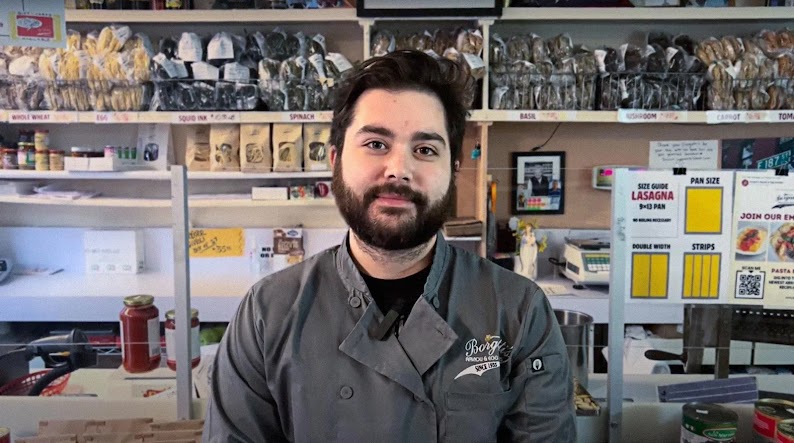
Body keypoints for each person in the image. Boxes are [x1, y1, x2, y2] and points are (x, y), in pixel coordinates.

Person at [203, 50, 576, 442]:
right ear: (336, 161)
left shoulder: (518, 311)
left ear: (453, 171)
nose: (399, 169)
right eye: (377, 144)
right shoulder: (266, 314)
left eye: (425, 149)